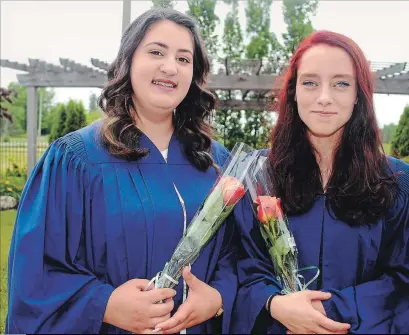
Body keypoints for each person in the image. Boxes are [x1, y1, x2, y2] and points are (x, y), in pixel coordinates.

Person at [6, 8, 237, 334]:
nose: (170, 67)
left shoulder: (217, 163)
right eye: (156, 52)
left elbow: (238, 254)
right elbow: (36, 272)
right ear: (128, 61)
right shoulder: (76, 159)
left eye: (184, 59)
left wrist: (219, 296)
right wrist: (104, 303)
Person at [231, 30, 409, 334]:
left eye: (341, 83)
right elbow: (236, 264)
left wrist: (324, 311)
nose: (324, 98)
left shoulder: (399, 184)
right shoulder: (259, 176)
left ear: (359, 94)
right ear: (294, 92)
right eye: (310, 83)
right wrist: (273, 303)